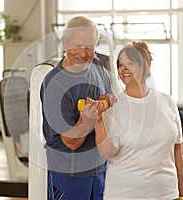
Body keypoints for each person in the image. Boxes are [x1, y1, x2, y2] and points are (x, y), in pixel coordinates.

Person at [94, 41, 183, 200]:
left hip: (166, 193)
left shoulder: (167, 102)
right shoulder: (112, 107)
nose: (124, 68)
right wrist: (97, 119)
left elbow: (177, 149)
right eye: (120, 65)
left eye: (130, 63)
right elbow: (107, 152)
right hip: (125, 194)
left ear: (146, 66)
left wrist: (181, 187)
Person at [40, 15, 117, 200]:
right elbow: (71, 142)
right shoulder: (54, 85)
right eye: (77, 46)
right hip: (69, 173)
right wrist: (86, 120)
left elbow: (108, 99)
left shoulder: (98, 66)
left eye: (89, 47)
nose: (83, 54)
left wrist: (108, 99)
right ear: (65, 43)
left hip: (99, 168)